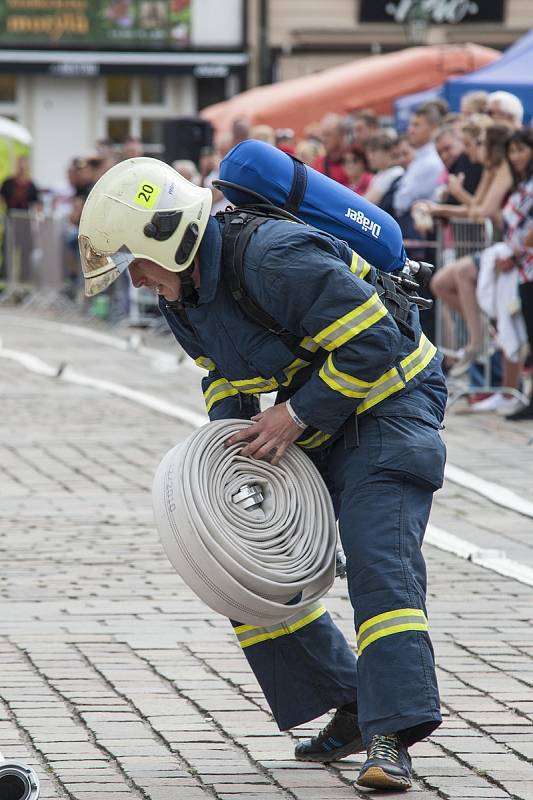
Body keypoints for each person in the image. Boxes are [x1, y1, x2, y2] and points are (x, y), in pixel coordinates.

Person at [78, 157, 447, 792]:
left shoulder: (275, 257)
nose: (134, 282)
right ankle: (353, 699)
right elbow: (223, 371)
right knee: (243, 562)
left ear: (166, 238)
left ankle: (393, 734)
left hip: (391, 406)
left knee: (376, 558)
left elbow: (374, 343)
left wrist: (295, 416)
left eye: (134, 263)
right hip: (316, 417)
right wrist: (229, 449)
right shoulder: (184, 295)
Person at [364, 134, 404, 207]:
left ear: (388, 151)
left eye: (374, 151)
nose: (370, 157)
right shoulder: (380, 174)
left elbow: (367, 202)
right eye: (368, 153)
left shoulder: (396, 173)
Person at [313, 113, 349, 186]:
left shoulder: (354, 162)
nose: (324, 139)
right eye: (323, 134)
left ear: (341, 136)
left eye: (328, 134)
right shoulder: (318, 164)